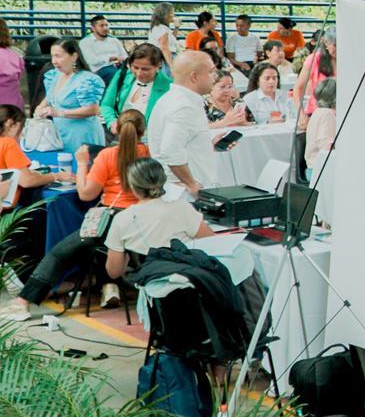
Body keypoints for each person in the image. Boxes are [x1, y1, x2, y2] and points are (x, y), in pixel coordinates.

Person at [4, 108, 148, 320]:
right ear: (143, 131)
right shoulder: (148, 154)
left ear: (116, 129)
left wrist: (81, 164)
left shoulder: (107, 156)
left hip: (110, 220)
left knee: (59, 254)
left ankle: (23, 302)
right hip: (142, 221)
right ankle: (109, 286)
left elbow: (85, 194)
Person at [100, 159, 213, 283]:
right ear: (163, 180)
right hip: (188, 280)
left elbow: (114, 272)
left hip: (149, 284)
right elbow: (210, 241)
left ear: (132, 186)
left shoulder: (121, 219)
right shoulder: (182, 208)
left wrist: (125, 256)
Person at [146, 50, 220, 196]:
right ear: (194, 76)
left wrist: (207, 144)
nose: (215, 77)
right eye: (211, 72)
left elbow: (180, 143)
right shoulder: (184, 106)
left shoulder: (172, 99)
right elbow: (170, 151)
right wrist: (190, 183)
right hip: (185, 193)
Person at [33, 40, 105, 155]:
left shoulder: (87, 79)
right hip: (60, 133)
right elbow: (51, 96)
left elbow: (93, 109)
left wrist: (60, 113)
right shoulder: (54, 75)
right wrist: (40, 107)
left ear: (74, 56)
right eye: (52, 56)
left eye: (58, 56)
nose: (54, 61)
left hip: (82, 135)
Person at [78, 15, 127, 81]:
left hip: (118, 66)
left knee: (130, 73)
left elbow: (124, 56)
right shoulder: (85, 42)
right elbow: (92, 61)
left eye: (106, 25)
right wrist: (112, 58)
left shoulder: (114, 40)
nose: (105, 28)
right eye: (101, 26)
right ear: (93, 28)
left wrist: (122, 60)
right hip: (99, 70)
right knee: (117, 75)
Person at [305, 79, 337, 172]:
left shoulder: (318, 111)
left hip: (314, 168)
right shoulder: (328, 114)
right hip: (320, 171)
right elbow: (326, 147)